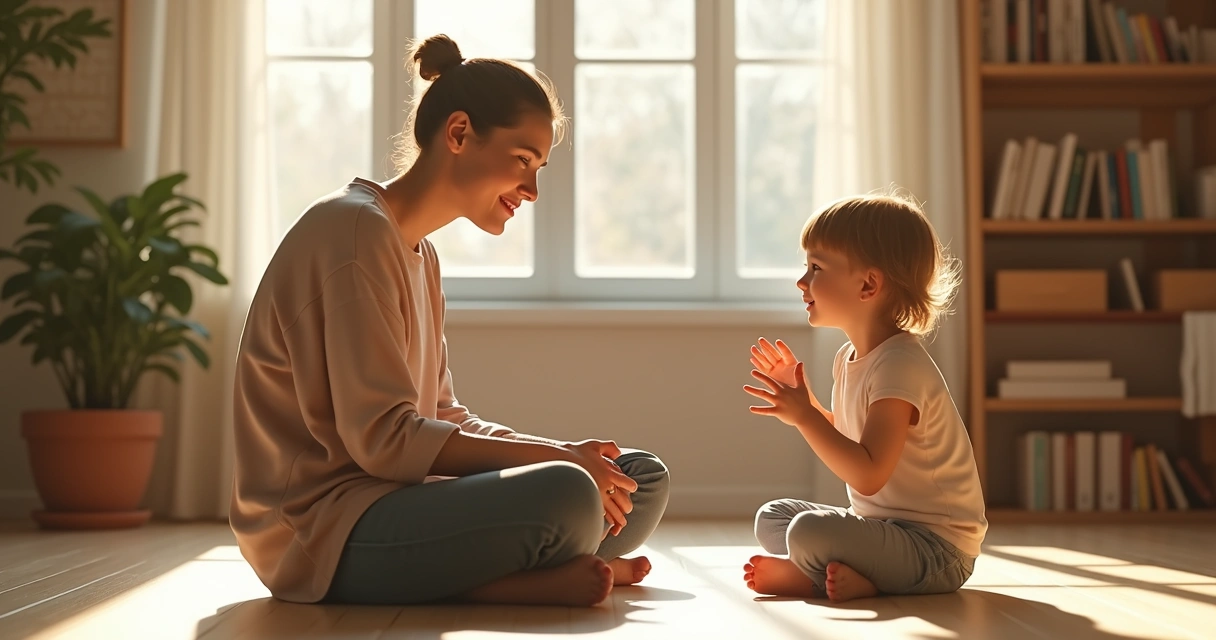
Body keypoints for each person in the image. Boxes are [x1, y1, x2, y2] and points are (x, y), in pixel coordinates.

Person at [230, 34, 670, 608]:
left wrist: (565, 449)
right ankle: (506, 582)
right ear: (459, 133)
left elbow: (441, 416)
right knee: (567, 491)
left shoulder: (419, 251)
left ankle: (537, 561)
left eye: (539, 168)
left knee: (637, 476)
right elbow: (386, 443)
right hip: (324, 529)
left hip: (396, 498)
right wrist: (560, 462)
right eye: (522, 160)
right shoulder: (353, 231)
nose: (532, 190)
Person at [740, 192, 986, 603]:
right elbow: (852, 437)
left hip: (937, 549)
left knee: (807, 531)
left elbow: (869, 475)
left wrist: (805, 418)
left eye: (816, 268)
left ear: (869, 284)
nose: (802, 282)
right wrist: (808, 404)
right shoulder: (850, 358)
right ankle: (854, 572)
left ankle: (814, 578)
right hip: (882, 527)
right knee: (775, 517)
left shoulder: (900, 364)